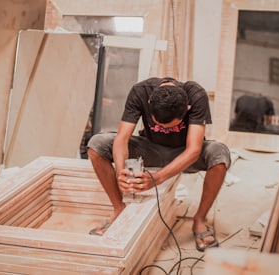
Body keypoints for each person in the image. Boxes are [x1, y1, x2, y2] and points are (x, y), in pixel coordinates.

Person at [87, 77, 231, 252]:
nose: (165, 128)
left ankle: (199, 220)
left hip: (184, 153)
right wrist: (120, 172)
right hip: (150, 148)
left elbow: (194, 150)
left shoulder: (196, 95)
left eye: (171, 125)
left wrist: (156, 178)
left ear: (187, 109)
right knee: (97, 143)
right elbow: (121, 139)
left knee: (219, 153)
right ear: (149, 104)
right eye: (158, 123)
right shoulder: (140, 92)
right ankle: (118, 209)